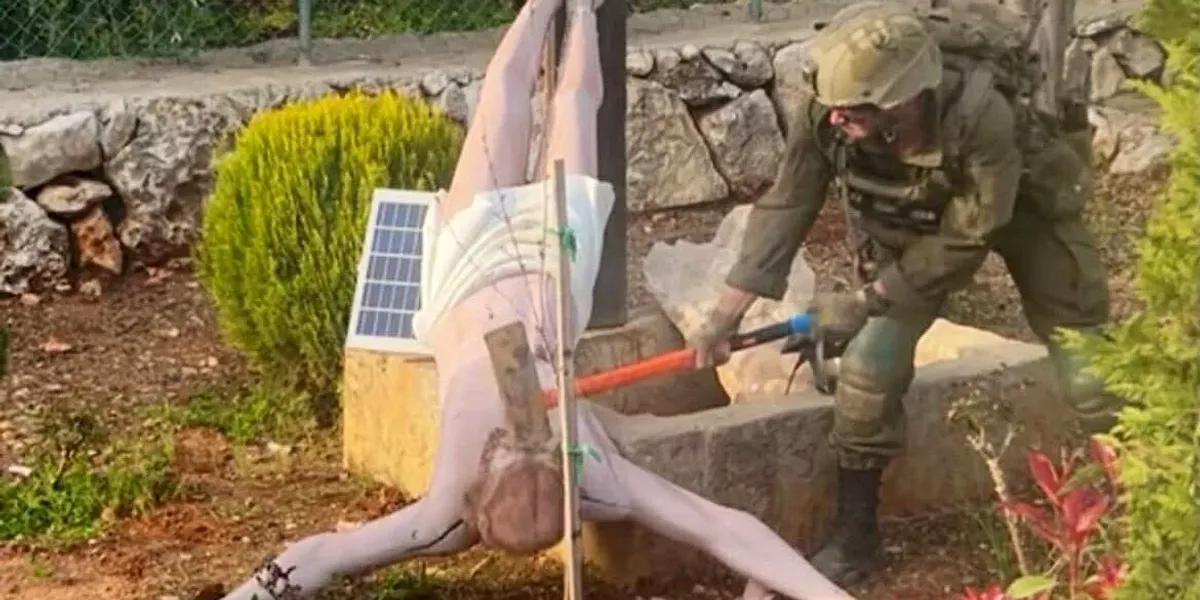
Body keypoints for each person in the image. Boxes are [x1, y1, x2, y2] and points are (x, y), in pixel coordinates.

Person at [212, 0, 858, 598]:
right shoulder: (562, 486)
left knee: (527, 102)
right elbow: (722, 526)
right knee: (549, 100)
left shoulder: (501, 498)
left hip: (468, 268)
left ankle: (580, 8)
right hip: (550, 265)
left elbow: (322, 555)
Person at [688, 1, 1124, 588]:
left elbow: (971, 234)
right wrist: (725, 313)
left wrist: (864, 299)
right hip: (915, 227)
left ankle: (1134, 492)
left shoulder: (982, 115)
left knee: (1084, 357)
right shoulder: (829, 111)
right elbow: (788, 204)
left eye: (854, 108)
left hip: (1020, 207)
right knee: (869, 367)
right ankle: (856, 536)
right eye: (834, 106)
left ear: (902, 99)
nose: (837, 117)